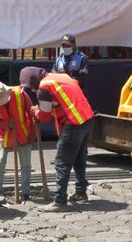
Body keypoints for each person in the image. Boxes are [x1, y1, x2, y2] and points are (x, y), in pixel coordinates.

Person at [25, 67, 94, 212]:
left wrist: (36, 111)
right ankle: (81, 192)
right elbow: (60, 103)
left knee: (61, 162)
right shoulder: (61, 77)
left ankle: (59, 201)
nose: (31, 91)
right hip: (86, 118)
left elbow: (44, 115)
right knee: (79, 158)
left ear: (33, 81)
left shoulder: (44, 87)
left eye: (30, 87)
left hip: (74, 122)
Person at [0, 81, 35, 205]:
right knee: (0, 163)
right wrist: (6, 125)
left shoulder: (20, 94)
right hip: (4, 135)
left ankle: (25, 194)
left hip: (23, 134)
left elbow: (31, 112)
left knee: (26, 165)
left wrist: (32, 133)